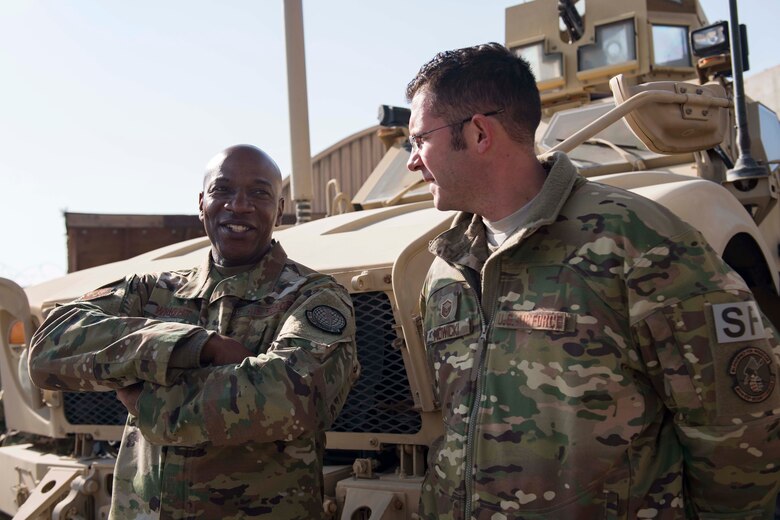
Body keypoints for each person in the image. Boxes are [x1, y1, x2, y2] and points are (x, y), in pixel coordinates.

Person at [406, 42, 780, 519]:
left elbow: (741, 427)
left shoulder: (640, 241)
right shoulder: (448, 263)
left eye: (420, 140)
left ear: (480, 132)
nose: (413, 162)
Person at [29, 144, 360, 519]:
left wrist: (150, 402)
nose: (239, 205)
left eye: (259, 193)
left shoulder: (314, 296)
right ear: (202, 202)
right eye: (223, 190)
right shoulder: (152, 290)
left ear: (279, 210)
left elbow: (293, 394)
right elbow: (47, 348)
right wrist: (193, 345)